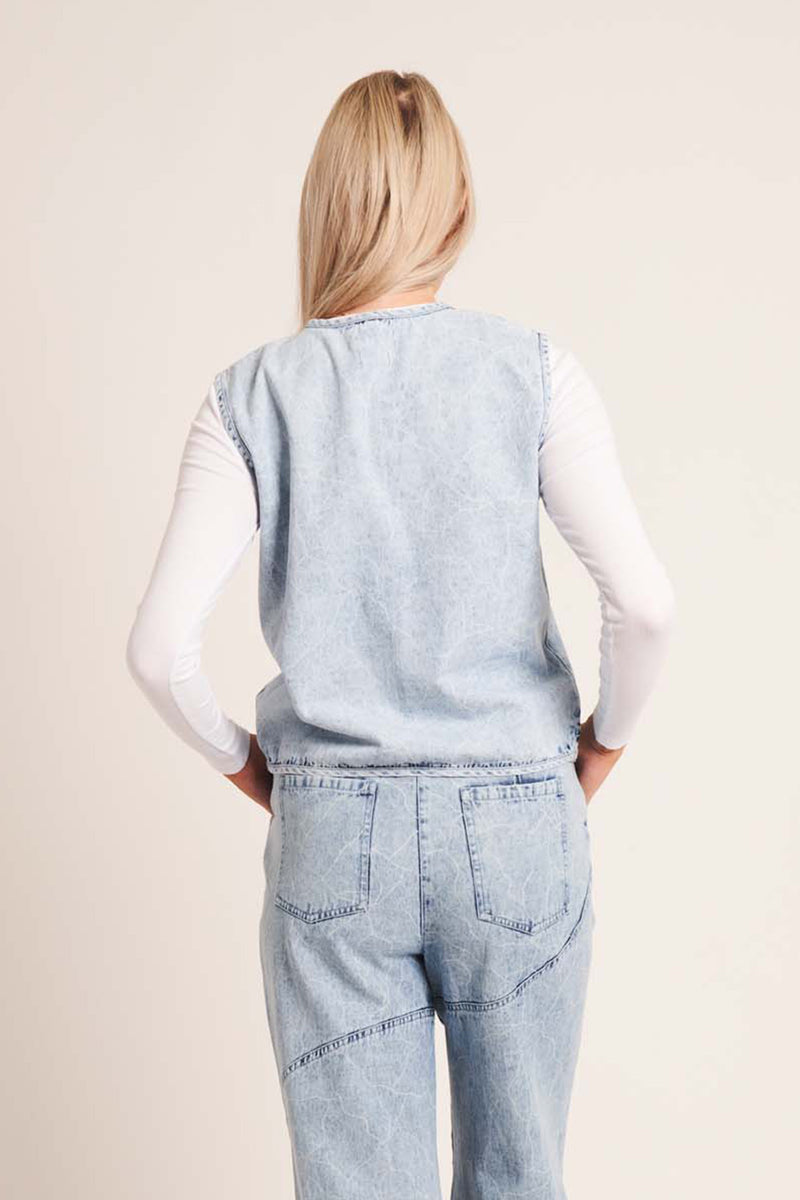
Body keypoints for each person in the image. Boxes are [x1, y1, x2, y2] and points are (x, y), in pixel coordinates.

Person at [126, 70, 676, 1200]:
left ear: (322, 204)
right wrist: (597, 751)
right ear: (458, 207)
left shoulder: (247, 397)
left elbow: (157, 649)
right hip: (518, 816)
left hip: (334, 826)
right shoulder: (535, 373)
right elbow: (646, 606)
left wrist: (253, 770)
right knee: (520, 1177)